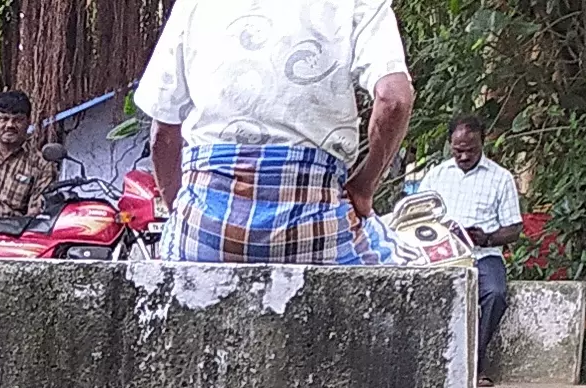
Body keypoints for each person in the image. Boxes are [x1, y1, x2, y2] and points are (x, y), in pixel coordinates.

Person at [133, 0, 414, 265]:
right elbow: (394, 98)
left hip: (204, 223)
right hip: (317, 223)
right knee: (401, 276)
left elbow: (163, 136)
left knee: (172, 256)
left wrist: (184, 215)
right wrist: (364, 187)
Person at [413, 114, 522, 380]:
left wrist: (486, 238)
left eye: (470, 151)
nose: (463, 156)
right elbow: (415, 216)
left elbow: (514, 229)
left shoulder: (501, 178)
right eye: (458, 150)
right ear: (450, 145)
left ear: (482, 144)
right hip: (441, 254)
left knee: (495, 294)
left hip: (482, 254)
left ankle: (476, 361)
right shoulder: (435, 176)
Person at [0, 88, 62, 226]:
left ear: (28, 122)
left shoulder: (42, 166)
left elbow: (37, 216)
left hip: (16, 240)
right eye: (4, 119)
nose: (10, 125)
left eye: (18, 120)